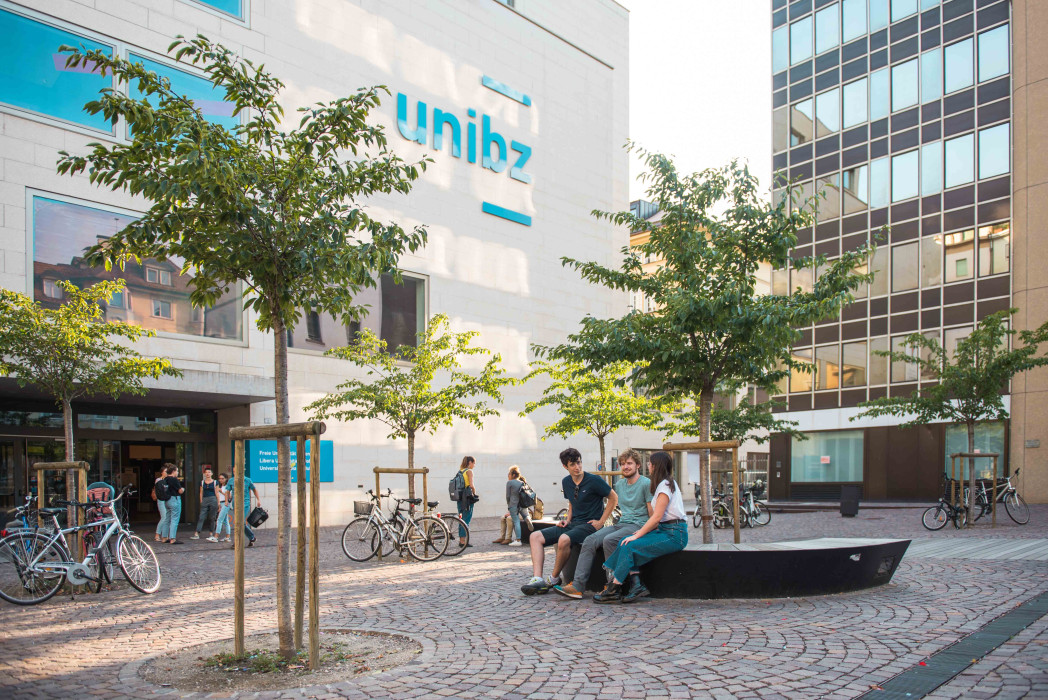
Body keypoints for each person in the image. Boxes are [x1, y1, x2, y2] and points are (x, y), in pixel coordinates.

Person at [554, 448, 652, 599]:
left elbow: (652, 514)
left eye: (630, 464)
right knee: (590, 540)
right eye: (623, 464)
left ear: (638, 465)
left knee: (609, 540)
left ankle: (612, 586)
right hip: (622, 523)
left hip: (638, 525)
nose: (626, 467)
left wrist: (647, 532)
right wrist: (601, 521)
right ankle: (577, 586)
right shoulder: (619, 485)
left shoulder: (646, 483)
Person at [521, 448, 617, 596]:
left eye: (578, 463)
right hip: (573, 524)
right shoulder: (566, 482)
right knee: (535, 537)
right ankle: (537, 579)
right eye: (572, 464)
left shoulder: (594, 481)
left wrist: (601, 521)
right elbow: (571, 502)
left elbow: (613, 498)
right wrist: (568, 519)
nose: (577, 467)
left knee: (563, 539)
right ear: (565, 466)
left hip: (590, 526)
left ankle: (553, 579)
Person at [595, 450, 687, 604]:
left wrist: (637, 534)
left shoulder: (665, 486)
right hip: (666, 531)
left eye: (650, 463)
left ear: (655, 466)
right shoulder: (662, 484)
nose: (648, 466)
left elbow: (656, 517)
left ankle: (614, 588)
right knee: (626, 542)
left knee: (630, 544)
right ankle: (635, 585)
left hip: (675, 534)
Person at [494, 466, 531, 547]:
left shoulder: (509, 483)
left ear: (513, 475)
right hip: (522, 505)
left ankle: (518, 540)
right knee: (522, 517)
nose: (508, 475)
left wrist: (509, 504)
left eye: (509, 474)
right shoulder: (521, 482)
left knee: (516, 521)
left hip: (513, 505)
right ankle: (527, 519)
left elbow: (508, 496)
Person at [225, 466, 261, 548]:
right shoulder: (231, 480)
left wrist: (258, 500)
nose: (235, 473)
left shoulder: (247, 480)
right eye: (234, 472)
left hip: (245, 503)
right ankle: (252, 537)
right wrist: (226, 501)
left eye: (236, 471)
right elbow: (227, 491)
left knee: (239, 521)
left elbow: (254, 489)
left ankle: (237, 542)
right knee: (241, 523)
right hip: (235, 504)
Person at [192, 466, 220, 542]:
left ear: (212, 473)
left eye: (209, 472)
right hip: (205, 499)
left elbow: (217, 492)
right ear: (204, 474)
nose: (207, 474)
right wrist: (201, 501)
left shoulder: (215, 482)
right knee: (201, 516)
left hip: (213, 498)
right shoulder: (202, 482)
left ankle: (211, 532)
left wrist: (218, 502)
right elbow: (201, 492)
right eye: (206, 472)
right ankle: (197, 532)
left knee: (212, 517)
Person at [160, 464, 185, 544]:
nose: (177, 472)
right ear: (173, 471)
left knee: (167, 519)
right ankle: (172, 538)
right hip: (175, 499)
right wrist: (183, 489)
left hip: (167, 500)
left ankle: (164, 537)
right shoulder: (174, 479)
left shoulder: (165, 479)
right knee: (174, 519)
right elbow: (180, 491)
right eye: (177, 471)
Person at [456, 456, 477, 549]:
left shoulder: (460, 471)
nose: (474, 465)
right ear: (470, 462)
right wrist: (474, 492)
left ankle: (461, 540)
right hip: (467, 497)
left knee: (461, 518)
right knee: (466, 518)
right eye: (474, 463)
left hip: (460, 497)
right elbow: (471, 485)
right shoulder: (469, 471)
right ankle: (463, 541)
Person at [214, 472, 233, 542]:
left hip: (226, 503)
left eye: (222, 479)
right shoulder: (220, 486)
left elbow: (229, 496)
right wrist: (219, 505)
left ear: (226, 479)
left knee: (219, 520)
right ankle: (228, 537)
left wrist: (221, 491)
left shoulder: (228, 486)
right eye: (220, 479)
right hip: (221, 503)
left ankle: (216, 536)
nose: (221, 480)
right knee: (225, 521)